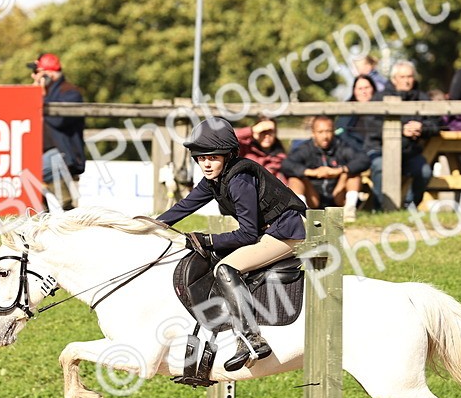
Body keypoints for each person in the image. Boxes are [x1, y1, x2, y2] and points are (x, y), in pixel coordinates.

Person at [157, 117, 307, 371]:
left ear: (228, 156)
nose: (206, 164)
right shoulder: (215, 179)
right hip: (270, 232)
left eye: (213, 158)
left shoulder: (239, 179)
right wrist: (150, 225)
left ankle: (251, 338)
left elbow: (247, 234)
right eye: (201, 158)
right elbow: (184, 206)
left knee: (226, 268)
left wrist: (208, 240)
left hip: (289, 232)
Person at [374, 60, 439, 210]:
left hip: (411, 152)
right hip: (382, 151)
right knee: (379, 167)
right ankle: (381, 209)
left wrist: (422, 128)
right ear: (394, 79)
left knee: (424, 172)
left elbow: (436, 124)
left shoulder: (422, 98)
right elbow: (372, 126)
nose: (407, 81)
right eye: (402, 77)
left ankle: (410, 206)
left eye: (409, 77)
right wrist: (400, 130)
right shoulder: (380, 98)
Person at [282, 115, 369, 219]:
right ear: (313, 133)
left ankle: (349, 212)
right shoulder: (305, 149)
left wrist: (340, 171)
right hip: (313, 197)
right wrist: (310, 172)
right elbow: (286, 164)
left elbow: (364, 160)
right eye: (320, 132)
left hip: (338, 195)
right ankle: (302, 213)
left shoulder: (342, 146)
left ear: (334, 131)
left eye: (328, 131)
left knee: (353, 174)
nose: (325, 136)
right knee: (295, 179)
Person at [33, 53, 86, 209]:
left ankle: (60, 209)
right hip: (47, 154)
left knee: (29, 172)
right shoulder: (49, 92)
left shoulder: (70, 92)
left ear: (48, 74)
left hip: (65, 153)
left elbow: (59, 120)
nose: (35, 76)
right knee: (29, 172)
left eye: (39, 73)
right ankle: (62, 208)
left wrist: (40, 97)